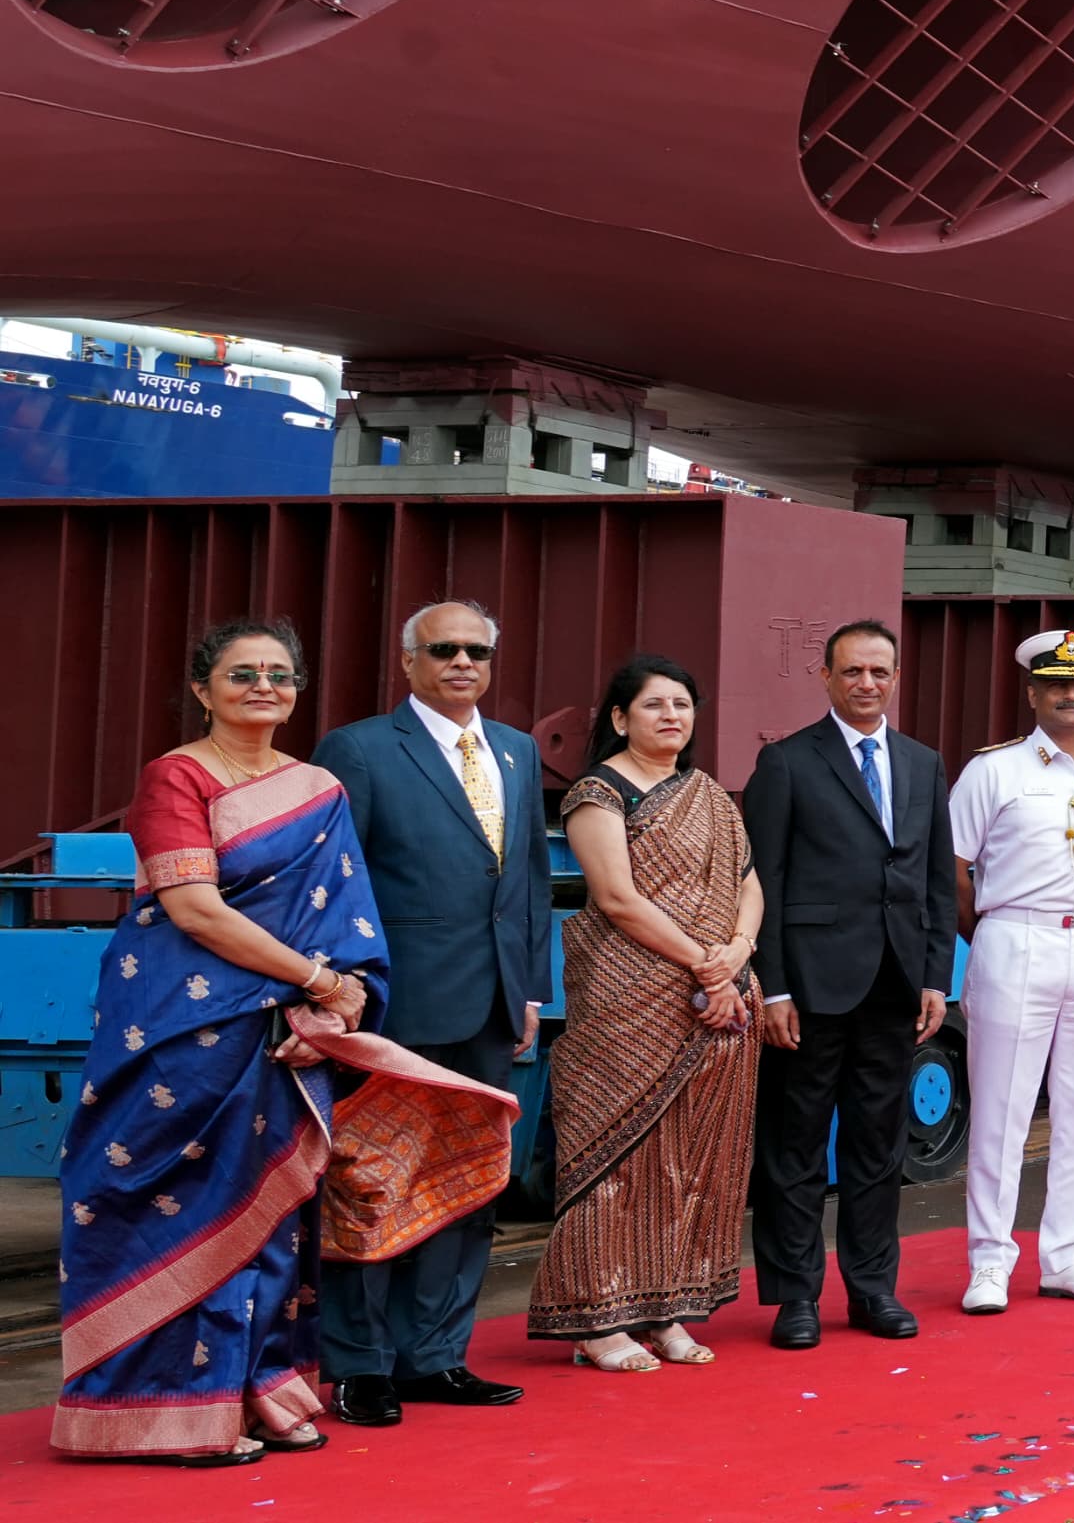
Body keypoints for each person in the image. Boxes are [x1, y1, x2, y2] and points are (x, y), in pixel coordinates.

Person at [54, 621, 511, 1463]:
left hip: (284, 1032)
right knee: (179, 1204)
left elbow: (350, 914)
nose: (262, 686)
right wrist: (310, 977)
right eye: (241, 674)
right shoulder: (176, 774)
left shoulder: (318, 787)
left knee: (273, 1219)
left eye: (278, 674)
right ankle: (175, 1407)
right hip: (182, 1028)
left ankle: (261, 1390)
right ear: (204, 689)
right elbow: (193, 907)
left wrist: (339, 1005)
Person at [313, 598, 552, 1423]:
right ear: (408, 661)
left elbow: (524, 883)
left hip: (488, 1003)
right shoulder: (362, 749)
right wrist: (343, 991)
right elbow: (338, 880)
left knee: (469, 1180)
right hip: (394, 1003)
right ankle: (358, 1362)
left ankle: (437, 1354)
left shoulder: (517, 752)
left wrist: (528, 989)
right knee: (373, 1179)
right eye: (443, 649)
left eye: (476, 651)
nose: (462, 663)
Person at [530, 654, 765, 1372]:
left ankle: (668, 1310)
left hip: (720, 999)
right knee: (618, 1155)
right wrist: (706, 961)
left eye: (683, 704)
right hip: (633, 998)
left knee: (698, 1160)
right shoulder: (599, 793)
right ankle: (597, 1319)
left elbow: (751, 883)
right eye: (655, 704)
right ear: (619, 717)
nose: (672, 715)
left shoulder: (713, 797)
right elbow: (617, 898)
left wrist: (738, 951)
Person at [742, 618, 952, 1350]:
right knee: (795, 1145)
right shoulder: (789, 762)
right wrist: (771, 987)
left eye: (880, 671)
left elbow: (934, 878)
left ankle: (872, 1288)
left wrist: (936, 975)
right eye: (853, 671)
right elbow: (762, 880)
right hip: (811, 986)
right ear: (826, 676)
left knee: (878, 1146)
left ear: (896, 677)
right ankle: (795, 1294)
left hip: (896, 982)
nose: (868, 683)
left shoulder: (922, 763)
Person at [944, 628, 1074, 1314]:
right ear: (1033, 692)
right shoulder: (996, 769)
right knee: (1003, 1107)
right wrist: (995, 932)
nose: (1073, 695)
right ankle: (989, 1260)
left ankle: (1067, 1255)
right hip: (1017, 935)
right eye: (1059, 684)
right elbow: (952, 869)